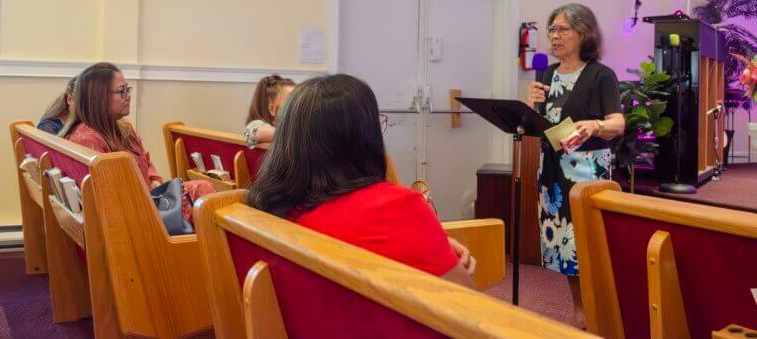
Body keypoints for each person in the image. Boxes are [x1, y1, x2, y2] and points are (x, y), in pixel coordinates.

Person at [248, 74, 476, 287]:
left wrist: (434, 245)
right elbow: (463, 296)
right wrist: (434, 243)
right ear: (363, 137)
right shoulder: (400, 207)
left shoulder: (270, 204)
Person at [526, 3, 624, 327]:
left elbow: (618, 123)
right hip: (553, 174)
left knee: (587, 245)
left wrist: (596, 125)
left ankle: (601, 311)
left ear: (584, 33)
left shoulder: (601, 75)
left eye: (562, 28)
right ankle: (580, 310)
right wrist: (530, 106)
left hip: (586, 173)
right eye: (552, 29)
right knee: (564, 248)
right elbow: (538, 125)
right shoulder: (547, 75)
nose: (554, 35)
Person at [61, 62, 214, 222]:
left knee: (205, 190)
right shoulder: (87, 139)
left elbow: (146, 161)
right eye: (121, 91)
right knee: (205, 201)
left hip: (147, 199)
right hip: (133, 218)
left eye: (128, 90)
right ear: (98, 98)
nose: (128, 96)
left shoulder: (124, 128)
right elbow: (109, 200)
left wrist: (154, 181)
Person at [244, 74, 295, 148]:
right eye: (291, 102)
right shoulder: (254, 126)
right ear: (272, 109)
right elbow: (252, 132)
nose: (298, 105)